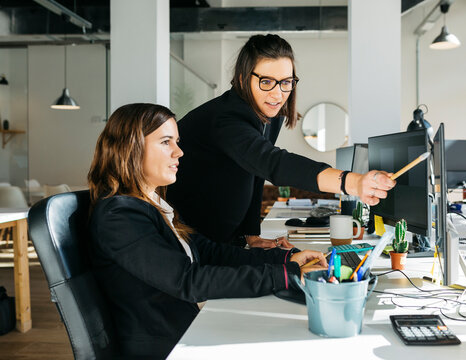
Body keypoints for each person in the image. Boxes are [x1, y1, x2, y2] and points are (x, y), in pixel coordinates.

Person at [87, 103, 327, 359]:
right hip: (168, 346)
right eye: (166, 142)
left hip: (188, 326)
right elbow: (188, 281)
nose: (179, 152)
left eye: (177, 141)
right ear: (130, 147)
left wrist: (284, 259)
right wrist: (286, 275)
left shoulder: (152, 204)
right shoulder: (119, 216)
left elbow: (212, 252)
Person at [167, 34, 395, 248]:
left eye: (286, 82)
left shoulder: (269, 116)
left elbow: (255, 173)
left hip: (225, 239)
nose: (278, 94)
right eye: (266, 81)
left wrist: (252, 235)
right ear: (242, 79)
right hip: (192, 239)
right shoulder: (226, 118)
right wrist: (351, 183)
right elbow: (272, 163)